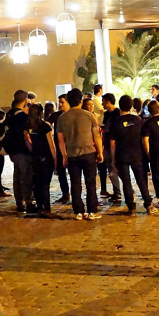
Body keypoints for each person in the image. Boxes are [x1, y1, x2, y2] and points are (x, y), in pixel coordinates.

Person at [57, 88, 104, 220]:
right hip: (89, 152)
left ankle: (78, 211)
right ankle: (92, 211)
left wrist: (64, 155)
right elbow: (97, 136)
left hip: (72, 154)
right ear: (81, 100)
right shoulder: (89, 115)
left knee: (75, 183)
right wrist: (100, 152)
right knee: (91, 183)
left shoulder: (62, 118)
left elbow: (61, 139)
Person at [110, 95, 156, 215]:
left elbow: (112, 143)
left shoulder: (115, 122)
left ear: (119, 106)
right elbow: (143, 138)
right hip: (137, 154)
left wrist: (112, 158)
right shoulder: (138, 120)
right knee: (141, 180)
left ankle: (131, 207)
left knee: (126, 182)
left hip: (121, 155)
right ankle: (148, 204)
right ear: (131, 106)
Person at [4, 90, 37, 214]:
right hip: (23, 150)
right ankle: (28, 202)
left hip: (13, 150)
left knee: (17, 176)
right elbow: (26, 134)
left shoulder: (9, 114)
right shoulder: (22, 116)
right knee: (26, 176)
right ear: (25, 100)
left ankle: (19, 202)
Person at [25, 104, 57, 217]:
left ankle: (40, 207)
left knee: (37, 183)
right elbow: (51, 145)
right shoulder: (45, 126)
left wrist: (33, 151)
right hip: (46, 157)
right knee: (45, 184)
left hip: (35, 157)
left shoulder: (28, 126)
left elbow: (28, 141)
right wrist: (55, 159)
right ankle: (46, 208)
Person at [48, 94, 71, 203]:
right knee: (61, 173)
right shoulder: (55, 115)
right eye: (59, 102)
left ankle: (76, 195)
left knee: (74, 173)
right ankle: (65, 193)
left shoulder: (73, 115)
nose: (60, 105)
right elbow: (46, 125)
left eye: (62, 102)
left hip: (72, 148)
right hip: (59, 148)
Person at [101, 93, 123, 203]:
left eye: (103, 101)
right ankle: (117, 192)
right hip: (107, 145)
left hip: (116, 145)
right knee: (110, 168)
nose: (102, 104)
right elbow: (105, 130)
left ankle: (124, 191)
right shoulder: (106, 114)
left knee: (118, 168)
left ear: (109, 101)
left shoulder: (117, 113)